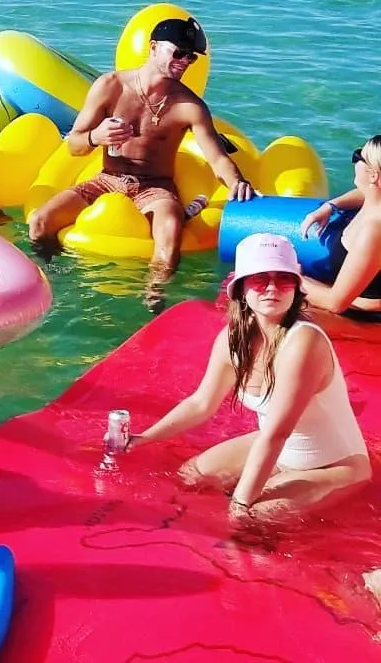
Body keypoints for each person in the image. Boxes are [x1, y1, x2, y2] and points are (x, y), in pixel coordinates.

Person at [128, 233, 370, 523]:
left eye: (283, 279)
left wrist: (241, 502)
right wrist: (142, 439)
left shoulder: (303, 342)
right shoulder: (234, 338)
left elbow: (277, 432)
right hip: (280, 451)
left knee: (253, 518)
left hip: (333, 465)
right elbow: (201, 403)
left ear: (297, 286)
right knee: (191, 476)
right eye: (260, 279)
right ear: (241, 288)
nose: (272, 288)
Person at [28, 16, 255, 274]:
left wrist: (238, 182)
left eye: (191, 58)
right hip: (106, 179)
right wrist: (96, 136)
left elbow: (217, 159)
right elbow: (74, 145)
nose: (184, 62)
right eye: (178, 53)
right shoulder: (110, 86)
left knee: (169, 238)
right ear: (154, 47)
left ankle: (154, 299)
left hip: (155, 188)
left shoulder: (189, 106)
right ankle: (50, 276)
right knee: (39, 222)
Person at [299, 136, 381, 315]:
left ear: (373, 175)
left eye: (359, 156)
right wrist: (331, 205)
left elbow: (335, 304)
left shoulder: (374, 231)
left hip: (364, 314)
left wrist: (290, 277)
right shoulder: (374, 201)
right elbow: (365, 192)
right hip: (350, 298)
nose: (355, 160)